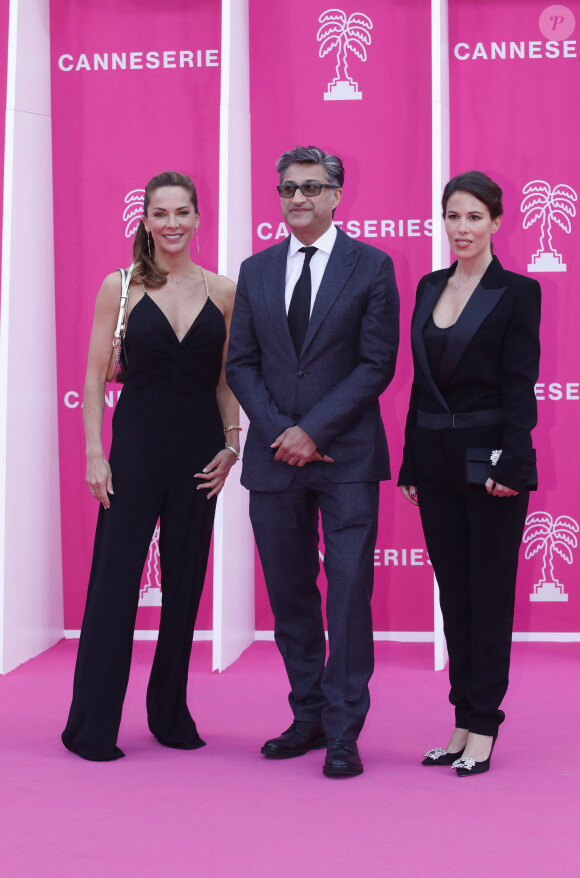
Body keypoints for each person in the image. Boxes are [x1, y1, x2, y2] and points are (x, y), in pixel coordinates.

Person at [226, 145, 399, 778]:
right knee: (290, 592)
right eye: (287, 189)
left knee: (349, 592)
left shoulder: (372, 266)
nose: (296, 199)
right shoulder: (256, 269)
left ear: (335, 195)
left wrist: (314, 429)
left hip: (346, 458)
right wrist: (282, 432)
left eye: (310, 188)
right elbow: (240, 362)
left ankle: (345, 730)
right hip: (276, 460)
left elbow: (376, 364)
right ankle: (309, 716)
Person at [62, 171, 239, 761]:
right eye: (160, 213)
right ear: (145, 220)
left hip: (198, 456)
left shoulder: (223, 291)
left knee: (185, 590)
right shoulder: (121, 286)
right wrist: (94, 453)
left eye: (182, 212)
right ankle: (91, 727)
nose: (171, 224)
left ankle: (168, 714)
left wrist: (232, 446)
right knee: (113, 587)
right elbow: (92, 379)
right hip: (133, 453)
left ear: (196, 218)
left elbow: (224, 383)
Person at [399, 171, 541, 776]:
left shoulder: (517, 292)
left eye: (474, 217)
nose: (462, 228)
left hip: (490, 464)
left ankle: (485, 724)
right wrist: (409, 457)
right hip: (433, 461)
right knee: (453, 597)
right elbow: (419, 385)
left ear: (497, 222)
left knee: (488, 597)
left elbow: (519, 385)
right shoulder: (429, 285)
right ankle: (461, 718)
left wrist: (513, 460)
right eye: (453, 217)